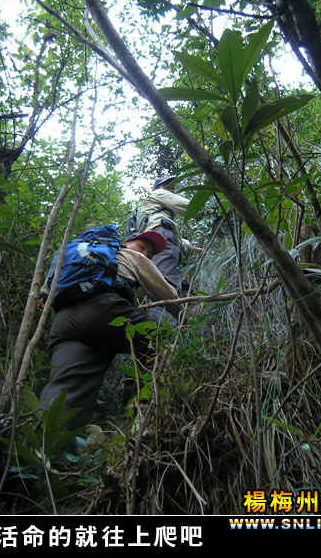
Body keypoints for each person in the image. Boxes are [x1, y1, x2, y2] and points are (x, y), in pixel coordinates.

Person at [39, 230, 180, 452]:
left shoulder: (81, 259)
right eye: (142, 246)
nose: (146, 253)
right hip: (102, 310)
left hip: (64, 322)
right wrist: (188, 314)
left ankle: (49, 460)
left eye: (150, 252)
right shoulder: (129, 256)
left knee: (66, 391)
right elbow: (167, 295)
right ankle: (139, 419)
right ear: (125, 243)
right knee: (159, 343)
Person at [137, 176, 201, 323]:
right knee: (165, 284)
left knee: (163, 280)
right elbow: (191, 208)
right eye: (167, 185)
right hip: (161, 237)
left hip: (153, 242)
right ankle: (166, 334)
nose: (172, 188)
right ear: (155, 188)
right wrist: (207, 210)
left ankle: (178, 327)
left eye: (173, 186)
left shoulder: (152, 211)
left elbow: (169, 233)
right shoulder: (158, 194)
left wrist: (189, 246)